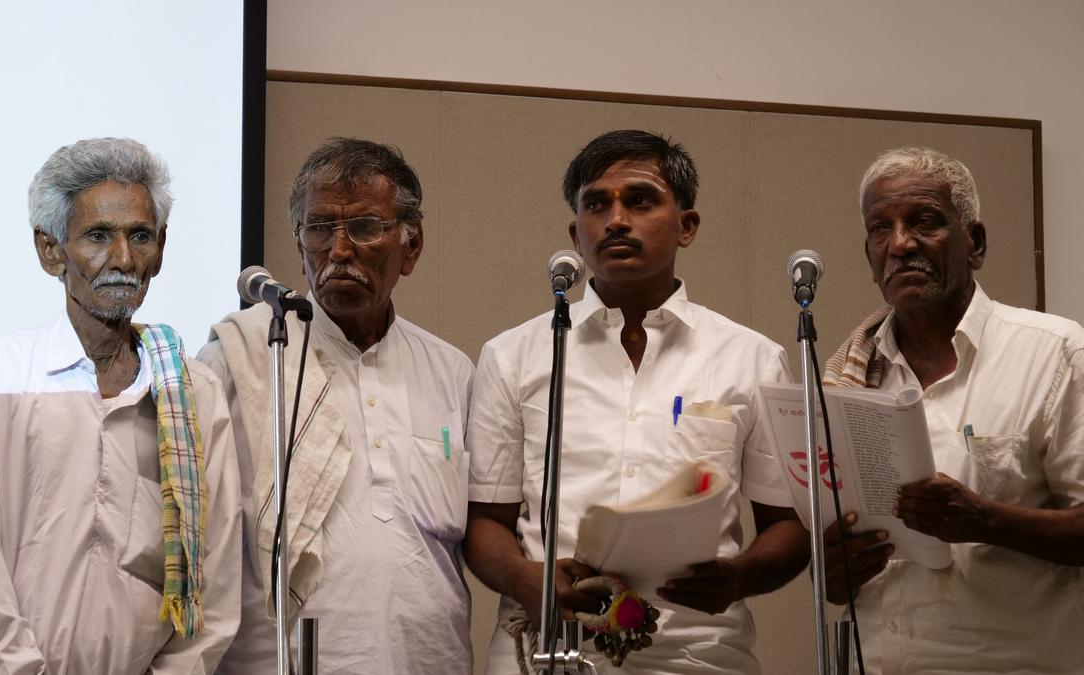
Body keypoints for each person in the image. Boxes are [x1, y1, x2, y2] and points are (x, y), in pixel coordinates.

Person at [465, 129, 810, 674]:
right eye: (596, 205)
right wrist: (521, 577)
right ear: (576, 233)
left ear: (687, 225)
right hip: (547, 652)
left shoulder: (752, 359)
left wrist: (738, 577)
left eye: (641, 200)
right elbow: (486, 518)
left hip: (699, 655)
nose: (616, 220)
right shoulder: (514, 355)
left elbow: (788, 527)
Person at [0, 137, 241, 673]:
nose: (124, 259)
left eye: (141, 236)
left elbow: (213, 586)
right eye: (98, 236)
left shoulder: (192, 393)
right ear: (50, 250)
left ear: (161, 248)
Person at [203, 138, 474, 675]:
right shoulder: (241, 359)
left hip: (429, 660)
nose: (339, 250)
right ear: (299, 242)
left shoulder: (452, 371)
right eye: (320, 228)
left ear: (411, 247)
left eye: (366, 228)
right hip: (282, 661)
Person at [822, 147, 1084, 673]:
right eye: (881, 229)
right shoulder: (843, 381)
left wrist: (986, 519)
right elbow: (833, 576)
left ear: (976, 244)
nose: (900, 244)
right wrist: (832, 567)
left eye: (925, 222)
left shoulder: (1055, 352)